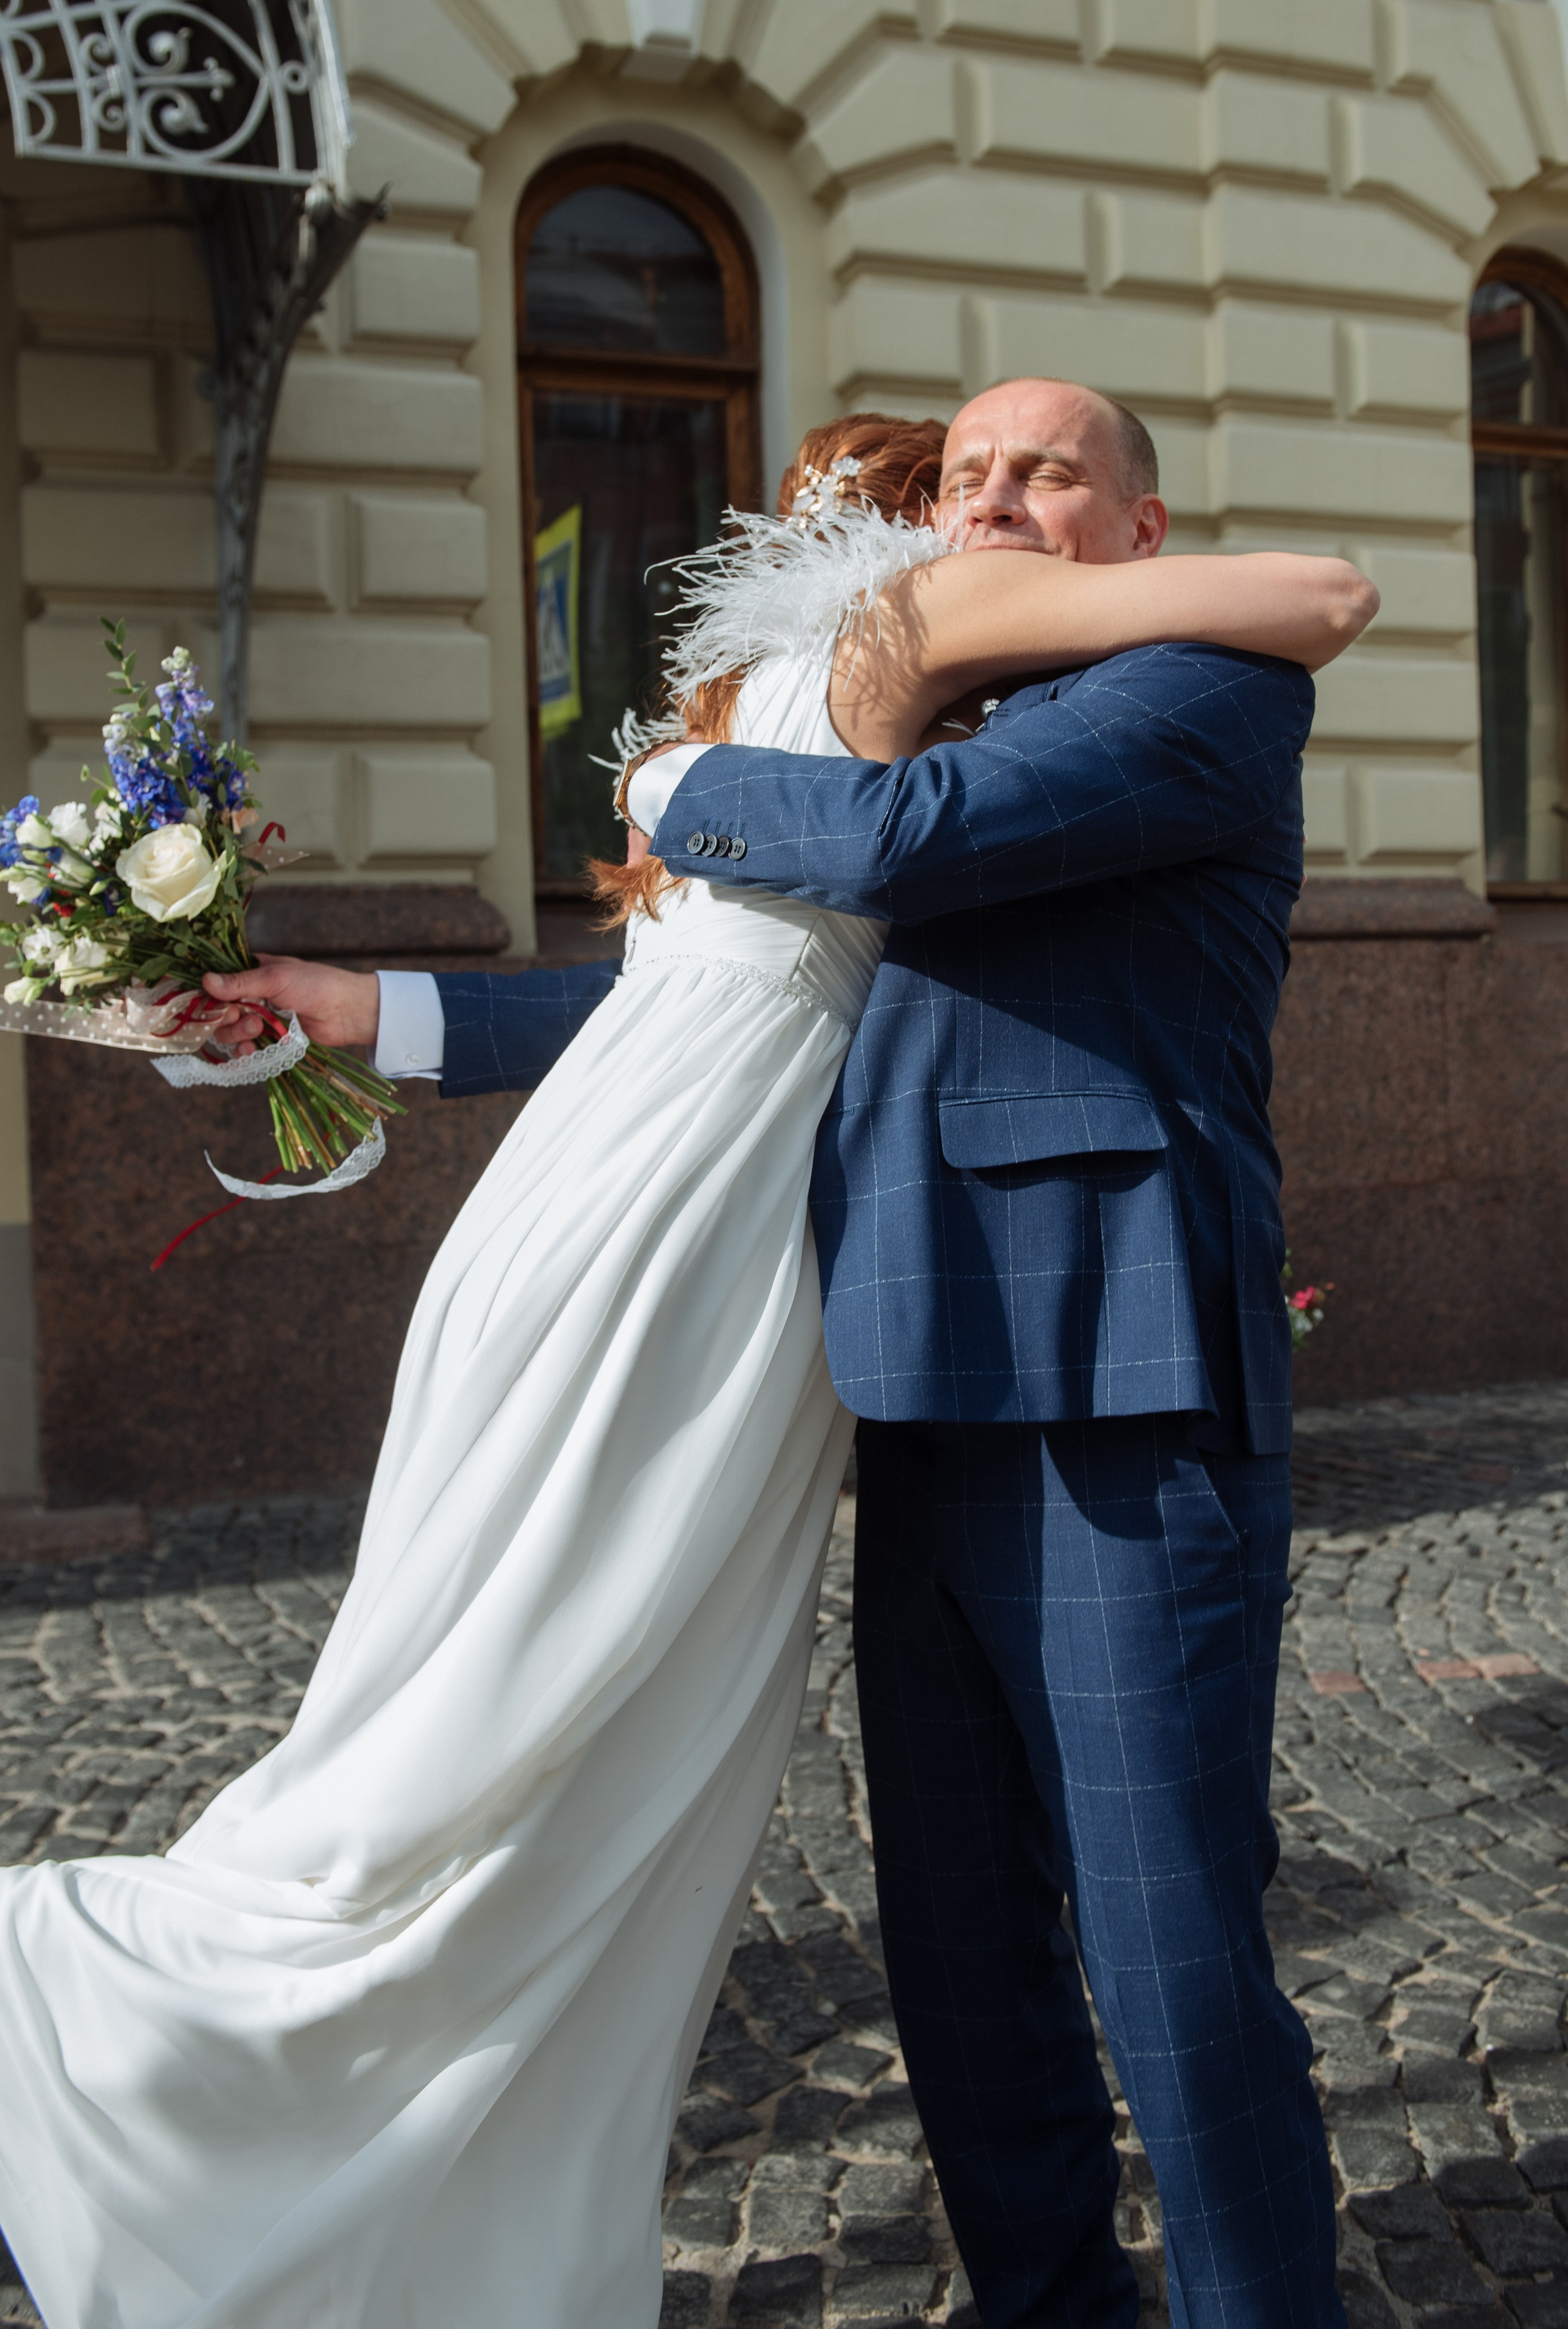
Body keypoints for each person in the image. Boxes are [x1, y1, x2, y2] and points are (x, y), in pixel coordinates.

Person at [0, 404, 1370, 2329]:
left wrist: (670, 775)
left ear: (1140, 521)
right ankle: (1053, 2301)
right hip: (894, 1379)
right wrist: (360, 1004)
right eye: (966, 469)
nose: (992, 497)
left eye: (1048, 470)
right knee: (960, 1951)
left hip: (1113, 1386)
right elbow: (701, 1004)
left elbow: (911, 843)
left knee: (1170, 1951)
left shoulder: (1196, 691)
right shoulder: (931, 692)